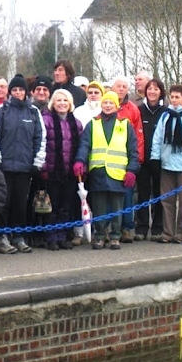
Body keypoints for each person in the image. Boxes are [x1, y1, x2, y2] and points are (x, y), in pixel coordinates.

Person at [74, 91, 140, 250]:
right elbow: (85, 145)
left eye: (111, 103)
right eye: (105, 102)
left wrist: (131, 170)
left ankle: (115, 236)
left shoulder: (125, 125)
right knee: (99, 207)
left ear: (116, 105)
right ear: (101, 104)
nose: (108, 105)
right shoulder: (93, 124)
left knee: (117, 207)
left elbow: (133, 151)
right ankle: (100, 235)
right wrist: (80, 160)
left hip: (118, 174)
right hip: (98, 172)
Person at [0, 75, 46, 254]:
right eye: (14, 90)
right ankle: (1, 236)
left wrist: (37, 161)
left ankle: (19, 235)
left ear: (26, 92)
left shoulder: (33, 112)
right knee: (3, 202)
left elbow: (40, 138)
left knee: (20, 204)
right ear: (10, 92)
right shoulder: (1, 110)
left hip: (24, 167)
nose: (18, 93)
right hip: (4, 166)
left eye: (21, 90)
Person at [150, 84, 182, 244]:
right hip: (167, 164)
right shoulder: (165, 116)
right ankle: (168, 232)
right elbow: (157, 139)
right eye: (171, 97)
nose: (173, 100)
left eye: (177, 97)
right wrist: (155, 158)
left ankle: (181, 232)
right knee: (167, 201)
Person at [41, 89, 83, 250]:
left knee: (66, 206)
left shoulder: (76, 123)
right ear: (53, 103)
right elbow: (42, 146)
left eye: (65, 100)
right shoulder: (46, 121)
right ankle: (51, 237)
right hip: (52, 171)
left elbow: (80, 146)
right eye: (58, 100)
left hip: (70, 172)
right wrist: (43, 167)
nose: (62, 103)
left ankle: (62, 235)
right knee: (52, 206)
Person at [111, 75, 145, 244]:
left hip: (126, 159)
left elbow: (139, 135)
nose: (122, 89)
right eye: (119, 86)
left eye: (125, 86)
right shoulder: (107, 106)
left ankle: (127, 227)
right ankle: (109, 228)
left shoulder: (133, 109)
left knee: (128, 195)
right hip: (107, 161)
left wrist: (137, 159)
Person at [136, 78, 166, 241]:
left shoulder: (165, 111)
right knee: (142, 195)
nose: (152, 92)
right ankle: (141, 227)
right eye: (149, 89)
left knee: (159, 194)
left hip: (161, 160)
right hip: (143, 160)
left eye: (156, 89)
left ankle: (158, 227)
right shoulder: (139, 110)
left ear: (161, 92)